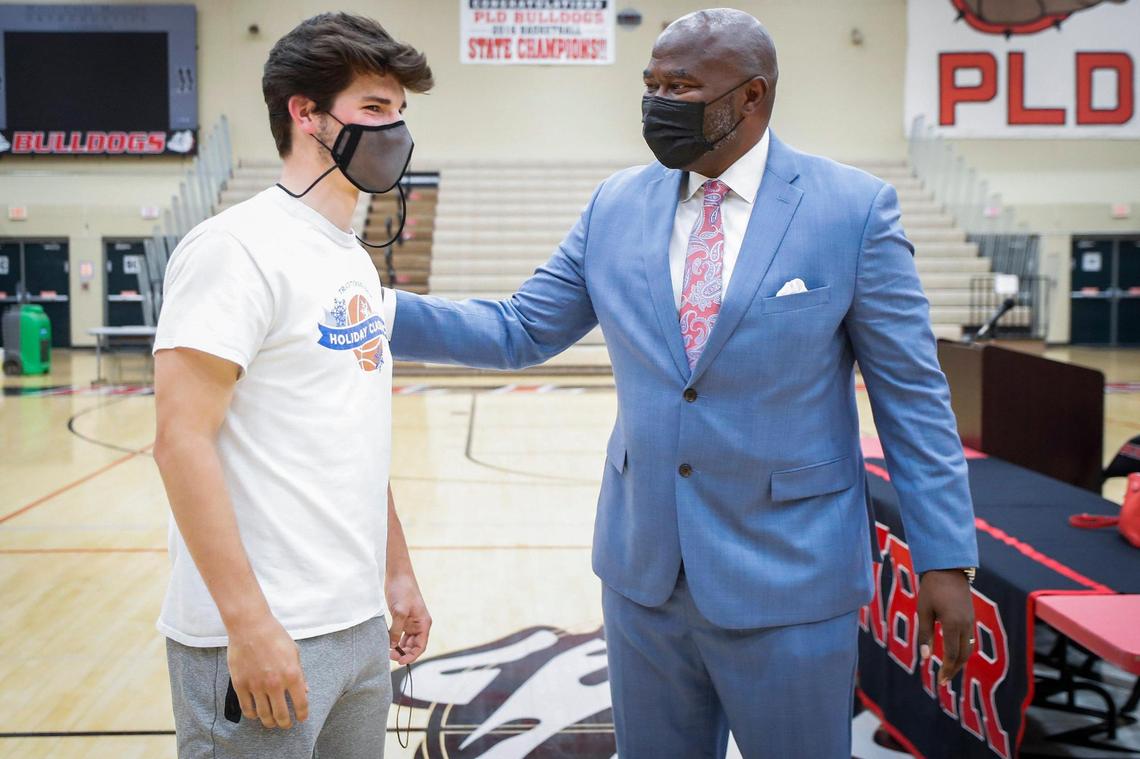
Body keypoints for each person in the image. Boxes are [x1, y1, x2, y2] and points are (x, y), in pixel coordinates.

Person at [389, 8, 978, 758]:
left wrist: (944, 558)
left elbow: (912, 399)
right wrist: (376, 309)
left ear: (752, 95)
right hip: (645, 577)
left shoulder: (852, 210)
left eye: (682, 87)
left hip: (791, 577)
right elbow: (519, 328)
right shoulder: (615, 205)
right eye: (652, 85)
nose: (658, 103)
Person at [152, 13, 432, 757]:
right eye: (374, 108)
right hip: (261, 631)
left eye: (400, 111)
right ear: (305, 113)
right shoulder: (233, 249)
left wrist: (396, 571)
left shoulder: (351, 258)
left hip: (356, 622)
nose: (395, 129)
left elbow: (352, 430)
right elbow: (180, 443)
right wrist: (248, 625)